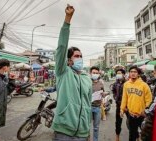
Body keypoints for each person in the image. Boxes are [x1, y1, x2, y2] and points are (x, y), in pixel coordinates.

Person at [51, 4, 92, 141]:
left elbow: (88, 103)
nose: (79, 58)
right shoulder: (63, 72)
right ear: (69, 60)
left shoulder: (87, 78)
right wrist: (67, 19)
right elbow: (61, 47)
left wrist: (87, 130)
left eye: (81, 56)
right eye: (76, 56)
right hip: (64, 130)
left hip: (82, 132)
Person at [120, 66, 152, 141]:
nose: (133, 73)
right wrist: (122, 109)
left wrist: (145, 111)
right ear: (129, 73)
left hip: (142, 116)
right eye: (131, 72)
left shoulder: (144, 85)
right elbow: (124, 98)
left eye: (135, 72)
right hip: (131, 115)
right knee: (132, 136)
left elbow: (149, 100)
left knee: (145, 136)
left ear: (138, 74)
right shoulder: (126, 84)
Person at [90, 66, 104, 141]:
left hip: (98, 108)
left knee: (96, 127)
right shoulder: (87, 82)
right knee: (86, 126)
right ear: (90, 73)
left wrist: (103, 94)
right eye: (93, 73)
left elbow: (103, 93)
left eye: (96, 73)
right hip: (88, 107)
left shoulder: (101, 83)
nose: (95, 74)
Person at [111, 69, 126, 141]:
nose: (118, 74)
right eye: (117, 73)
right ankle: (117, 136)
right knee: (118, 121)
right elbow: (113, 91)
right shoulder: (115, 83)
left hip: (128, 106)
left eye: (119, 73)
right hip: (119, 105)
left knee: (131, 122)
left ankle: (136, 136)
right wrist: (115, 97)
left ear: (123, 74)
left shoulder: (128, 83)